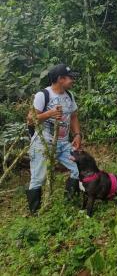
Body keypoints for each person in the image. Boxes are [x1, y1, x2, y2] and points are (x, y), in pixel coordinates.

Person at [26, 63, 82, 214]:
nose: (73, 81)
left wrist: (77, 134)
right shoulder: (43, 95)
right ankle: (35, 212)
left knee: (78, 168)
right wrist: (49, 114)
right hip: (42, 143)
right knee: (38, 178)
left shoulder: (69, 95)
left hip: (64, 143)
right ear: (60, 79)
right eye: (70, 78)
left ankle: (70, 202)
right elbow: (30, 120)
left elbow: (74, 116)